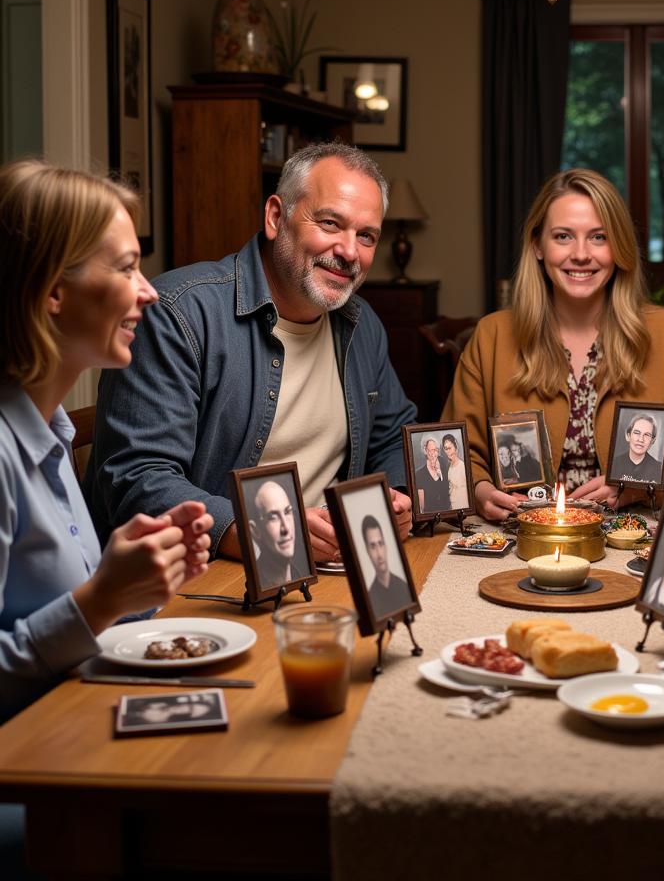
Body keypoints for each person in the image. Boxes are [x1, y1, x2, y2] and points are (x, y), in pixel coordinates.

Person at [84, 142, 415, 566]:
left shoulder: (359, 322)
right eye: (331, 223)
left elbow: (393, 436)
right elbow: (139, 480)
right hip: (202, 577)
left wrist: (398, 498)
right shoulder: (177, 312)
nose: (349, 251)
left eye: (366, 235)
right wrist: (260, 532)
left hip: (326, 569)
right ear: (276, 217)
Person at [0, 161, 211, 723]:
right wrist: (104, 598)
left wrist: (142, 583)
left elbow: (63, 624)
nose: (149, 293)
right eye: (126, 269)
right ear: (52, 292)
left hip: (73, 729)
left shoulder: (51, 433)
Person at [444, 168, 664, 522]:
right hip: (521, 538)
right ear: (537, 246)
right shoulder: (492, 337)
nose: (580, 254)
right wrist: (480, 489)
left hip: (637, 538)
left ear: (619, 248)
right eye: (562, 236)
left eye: (598, 237)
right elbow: (456, 451)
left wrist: (645, 486)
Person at [249, 479, 307, 588]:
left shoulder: (300, 575)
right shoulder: (259, 580)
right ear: (255, 531)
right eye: (273, 517)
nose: (285, 528)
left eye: (287, 512)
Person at [362, 514, 410, 621]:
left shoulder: (404, 587)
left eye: (381, 543)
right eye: (373, 546)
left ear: (386, 545)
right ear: (367, 551)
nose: (379, 554)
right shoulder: (370, 600)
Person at [610, 412, 663, 484]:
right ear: (628, 436)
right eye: (637, 433)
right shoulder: (615, 463)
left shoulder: (658, 468)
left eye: (647, 435)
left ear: (652, 441)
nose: (641, 439)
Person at [415, 436, 449, 513]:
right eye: (429, 450)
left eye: (435, 450)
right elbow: (422, 506)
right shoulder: (419, 474)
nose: (432, 453)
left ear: (438, 451)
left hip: (448, 513)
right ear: (425, 451)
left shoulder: (445, 465)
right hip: (431, 515)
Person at [442, 433, 469, 509]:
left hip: (462, 505)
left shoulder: (462, 466)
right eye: (445, 449)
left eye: (450, 448)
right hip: (453, 504)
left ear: (455, 447)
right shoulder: (449, 467)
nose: (448, 452)